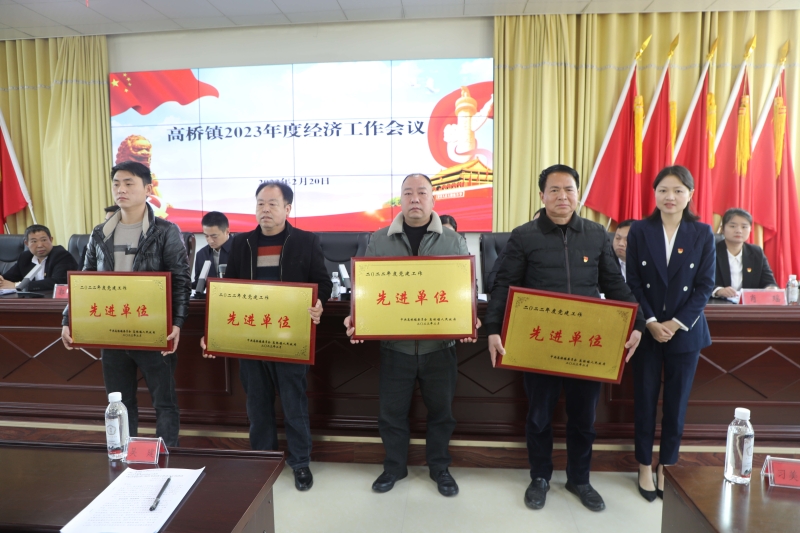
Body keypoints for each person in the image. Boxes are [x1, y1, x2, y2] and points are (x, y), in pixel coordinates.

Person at [484, 164, 644, 512]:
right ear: (542, 196)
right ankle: (540, 477)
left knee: (584, 418)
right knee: (539, 416)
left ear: (578, 194)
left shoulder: (596, 234)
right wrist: (493, 329)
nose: (562, 196)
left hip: (585, 343)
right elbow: (504, 285)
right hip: (539, 342)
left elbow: (614, 284)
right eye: (554, 190)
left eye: (569, 189)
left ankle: (579, 479)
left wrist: (639, 322)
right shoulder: (524, 235)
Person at [343, 173, 480, 497]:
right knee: (391, 414)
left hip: (439, 347)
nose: (414, 198)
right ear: (400, 199)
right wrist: (357, 318)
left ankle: (439, 468)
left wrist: (468, 317)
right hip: (396, 348)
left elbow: (466, 289)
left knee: (442, 414)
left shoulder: (453, 240)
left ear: (433, 199)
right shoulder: (379, 240)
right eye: (407, 193)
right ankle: (394, 467)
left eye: (421, 192)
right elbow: (367, 289)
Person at [200, 181, 331, 492]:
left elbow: (323, 283)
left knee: (293, 403)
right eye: (260, 203)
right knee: (257, 404)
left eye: (273, 204)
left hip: (290, 338)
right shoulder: (241, 243)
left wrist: (319, 303)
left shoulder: (306, 241)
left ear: (287, 208)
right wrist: (213, 332)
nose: (265, 209)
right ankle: (262, 460)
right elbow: (228, 292)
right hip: (251, 339)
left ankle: (300, 463)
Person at [60, 161, 191, 447]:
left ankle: (166, 457)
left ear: (148, 189)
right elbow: (84, 281)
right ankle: (124, 457)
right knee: (120, 402)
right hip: (112, 330)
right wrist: (68, 319)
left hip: (153, 328)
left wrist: (178, 322)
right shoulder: (100, 233)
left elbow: (181, 280)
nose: (121, 189)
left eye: (129, 183)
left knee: (164, 402)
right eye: (117, 184)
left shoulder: (166, 231)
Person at [625, 165, 715, 502]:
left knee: (676, 405)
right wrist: (649, 321)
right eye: (663, 190)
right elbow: (632, 281)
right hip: (647, 331)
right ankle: (643, 466)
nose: (670, 197)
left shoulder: (702, 232)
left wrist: (676, 323)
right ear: (655, 194)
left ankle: (667, 465)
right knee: (645, 401)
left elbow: (704, 286)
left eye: (678, 190)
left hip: (685, 333)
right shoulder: (639, 230)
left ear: (690, 194)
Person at [712, 208, 778, 300]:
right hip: (717, 304)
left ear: (750, 229)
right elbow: (699, 281)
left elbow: (769, 281)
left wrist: (771, 288)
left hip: (748, 306)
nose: (738, 230)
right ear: (723, 229)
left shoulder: (756, 252)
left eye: (744, 227)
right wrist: (718, 290)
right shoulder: (711, 251)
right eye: (732, 226)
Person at [0, 224, 78, 292]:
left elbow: (57, 282)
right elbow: (8, 278)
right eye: (34, 241)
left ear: (51, 240)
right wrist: (1, 279)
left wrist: (18, 285)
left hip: (54, 300)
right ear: (27, 244)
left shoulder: (61, 255)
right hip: (31, 300)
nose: (40, 245)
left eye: (44, 240)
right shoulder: (25, 257)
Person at [192, 211, 232, 290]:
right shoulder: (201, 254)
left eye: (214, 236)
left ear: (227, 232)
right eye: (206, 236)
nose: (210, 241)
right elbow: (199, 284)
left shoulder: (240, 250)